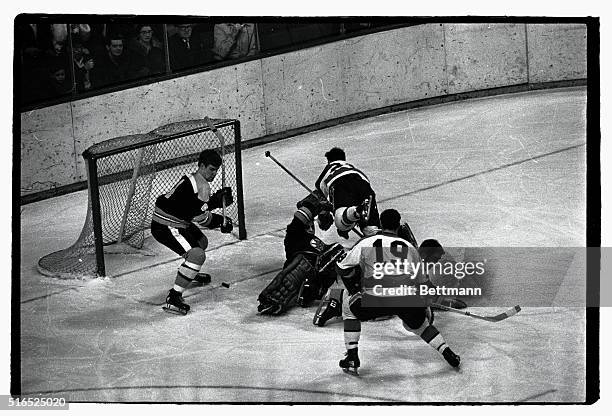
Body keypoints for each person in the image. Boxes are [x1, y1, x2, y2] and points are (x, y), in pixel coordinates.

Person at [335, 208, 461, 375]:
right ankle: (446, 351)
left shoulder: (367, 242)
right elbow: (425, 284)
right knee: (420, 325)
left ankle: (352, 357)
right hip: (404, 298)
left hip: (375, 298)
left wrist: (355, 289)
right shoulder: (410, 248)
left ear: (381, 224)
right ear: (398, 225)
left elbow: (342, 268)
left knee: (347, 305)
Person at [151, 149, 234, 315]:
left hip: (178, 221)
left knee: (201, 242)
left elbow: (193, 209)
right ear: (201, 166)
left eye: (216, 170)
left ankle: (189, 272)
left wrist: (213, 204)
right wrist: (221, 221)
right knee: (197, 255)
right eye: (211, 169)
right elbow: (199, 217)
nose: (214, 173)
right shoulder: (202, 187)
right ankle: (174, 297)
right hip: (166, 225)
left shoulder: (193, 179)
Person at [257, 191, 344, 315]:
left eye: (311, 225)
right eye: (307, 225)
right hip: (299, 269)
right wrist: (320, 207)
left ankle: (310, 291)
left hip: (316, 278)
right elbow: (299, 217)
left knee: (337, 252)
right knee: (303, 264)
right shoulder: (294, 236)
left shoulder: (318, 243)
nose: (310, 228)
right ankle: (286, 297)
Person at [314, 147, 380, 239]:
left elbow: (320, 189)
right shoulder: (351, 168)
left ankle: (355, 212)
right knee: (371, 228)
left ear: (329, 160)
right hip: (363, 183)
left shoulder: (330, 168)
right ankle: (376, 232)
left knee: (340, 221)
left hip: (340, 183)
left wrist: (323, 216)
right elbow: (366, 183)